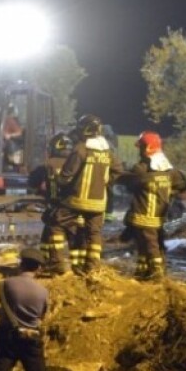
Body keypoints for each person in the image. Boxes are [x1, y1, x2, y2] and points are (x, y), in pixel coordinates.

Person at [115, 131, 186, 282]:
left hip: (143, 215)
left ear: (146, 149)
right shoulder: (170, 171)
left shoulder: (140, 169)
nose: (139, 151)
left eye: (140, 147)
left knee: (150, 246)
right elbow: (181, 185)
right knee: (151, 244)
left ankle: (157, 275)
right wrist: (167, 192)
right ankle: (143, 272)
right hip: (159, 216)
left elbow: (130, 185)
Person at [56, 114, 119, 276]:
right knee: (94, 233)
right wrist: (105, 182)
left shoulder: (81, 148)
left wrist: (59, 185)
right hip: (99, 202)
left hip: (76, 201)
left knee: (55, 223)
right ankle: (92, 267)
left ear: (85, 130)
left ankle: (57, 264)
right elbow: (118, 170)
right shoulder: (108, 151)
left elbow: (66, 175)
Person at [29, 131, 73, 275]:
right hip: (75, 206)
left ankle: (54, 263)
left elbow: (33, 182)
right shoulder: (76, 164)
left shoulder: (47, 165)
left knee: (53, 231)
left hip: (55, 207)